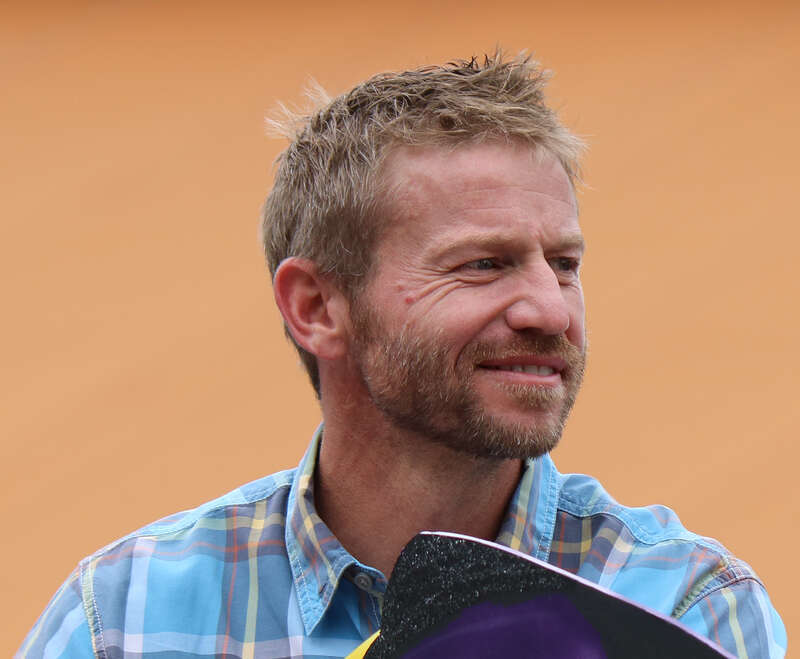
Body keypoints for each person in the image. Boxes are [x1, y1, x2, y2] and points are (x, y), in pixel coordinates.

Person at [19, 53, 786, 659]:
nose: (550, 309)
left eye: (564, 264)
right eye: (482, 264)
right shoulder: (126, 619)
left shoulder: (682, 609)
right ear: (317, 307)